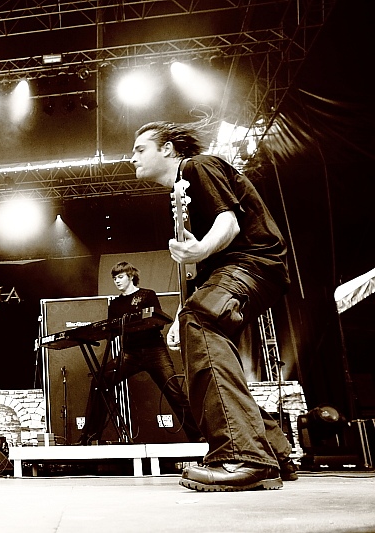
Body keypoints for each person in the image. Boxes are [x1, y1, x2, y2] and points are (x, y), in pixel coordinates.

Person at [130, 121, 296, 492]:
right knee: (200, 332)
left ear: (169, 149)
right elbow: (198, 267)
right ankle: (274, 450)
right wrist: (182, 314)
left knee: (202, 323)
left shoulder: (196, 166)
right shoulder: (179, 190)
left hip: (253, 261)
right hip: (238, 270)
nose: (132, 157)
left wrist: (202, 249)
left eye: (141, 149)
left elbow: (229, 223)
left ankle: (243, 456)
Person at [79, 262, 202, 445]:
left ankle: (198, 437)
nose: (117, 281)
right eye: (114, 278)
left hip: (154, 351)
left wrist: (135, 323)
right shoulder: (115, 304)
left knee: (174, 392)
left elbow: (158, 321)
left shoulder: (147, 295)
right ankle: (90, 437)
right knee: (100, 379)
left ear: (130, 276)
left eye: (120, 277)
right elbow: (113, 329)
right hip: (130, 354)